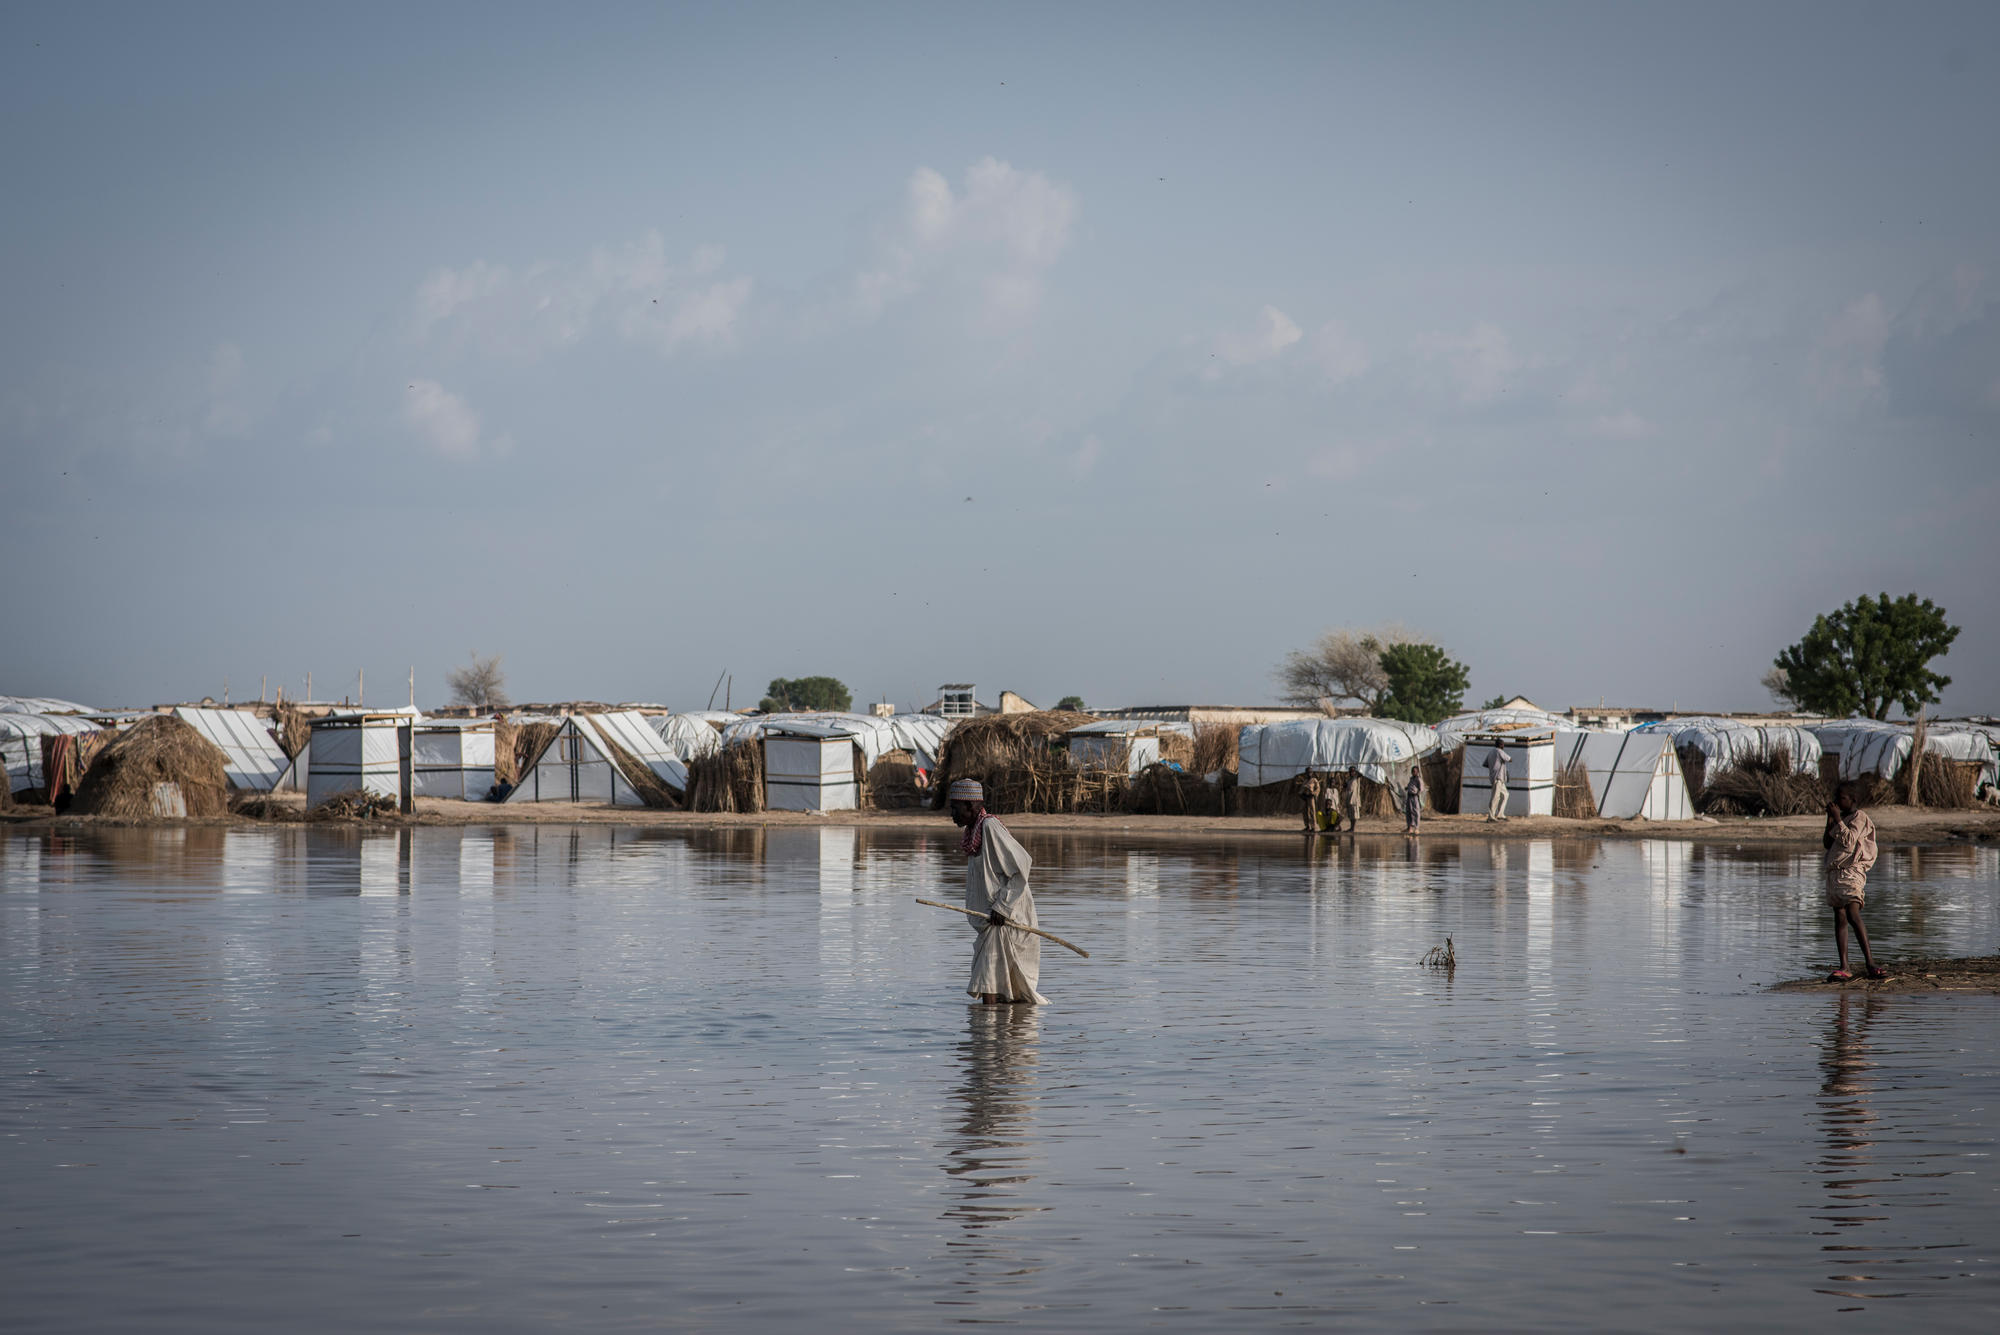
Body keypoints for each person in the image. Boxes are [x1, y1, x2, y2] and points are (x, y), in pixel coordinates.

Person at [947, 779, 1047, 1004]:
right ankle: (995, 1032)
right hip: (991, 922)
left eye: (955, 808)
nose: (951, 813)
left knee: (988, 982)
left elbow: (1022, 865)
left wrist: (1002, 906)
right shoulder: (974, 832)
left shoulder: (990, 827)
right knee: (1000, 988)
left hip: (1002, 919)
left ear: (971, 806)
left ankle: (986, 1033)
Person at [1822, 781, 1886, 981]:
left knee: (1852, 911)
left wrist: (1837, 819)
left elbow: (1849, 842)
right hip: (1836, 873)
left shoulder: (1860, 818)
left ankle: (1870, 962)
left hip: (1852, 871)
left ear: (1853, 799)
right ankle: (1844, 966)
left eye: (1841, 798)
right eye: (1837, 798)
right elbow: (1827, 843)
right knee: (1839, 916)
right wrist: (1829, 820)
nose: (1838, 802)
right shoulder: (1841, 818)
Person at [1485, 742, 1512, 821]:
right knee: (1495, 797)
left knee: (1505, 795)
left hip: (1497, 777)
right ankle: (1491, 816)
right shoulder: (1499, 751)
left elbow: (1486, 764)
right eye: (1503, 744)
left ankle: (1500, 814)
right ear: (1500, 745)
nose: (1503, 745)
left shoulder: (1490, 752)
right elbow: (1509, 759)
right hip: (1498, 778)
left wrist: (1494, 766)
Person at [1404, 768, 1425, 835]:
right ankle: (1410, 827)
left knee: (1416, 812)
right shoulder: (1411, 779)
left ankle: (1416, 828)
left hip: (1414, 796)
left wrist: (1417, 793)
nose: (1414, 772)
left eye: (1415, 771)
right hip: (1409, 796)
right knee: (1409, 812)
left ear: (1418, 772)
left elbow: (1421, 789)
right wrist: (1407, 788)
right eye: (1413, 771)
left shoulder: (1419, 779)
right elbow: (1411, 786)